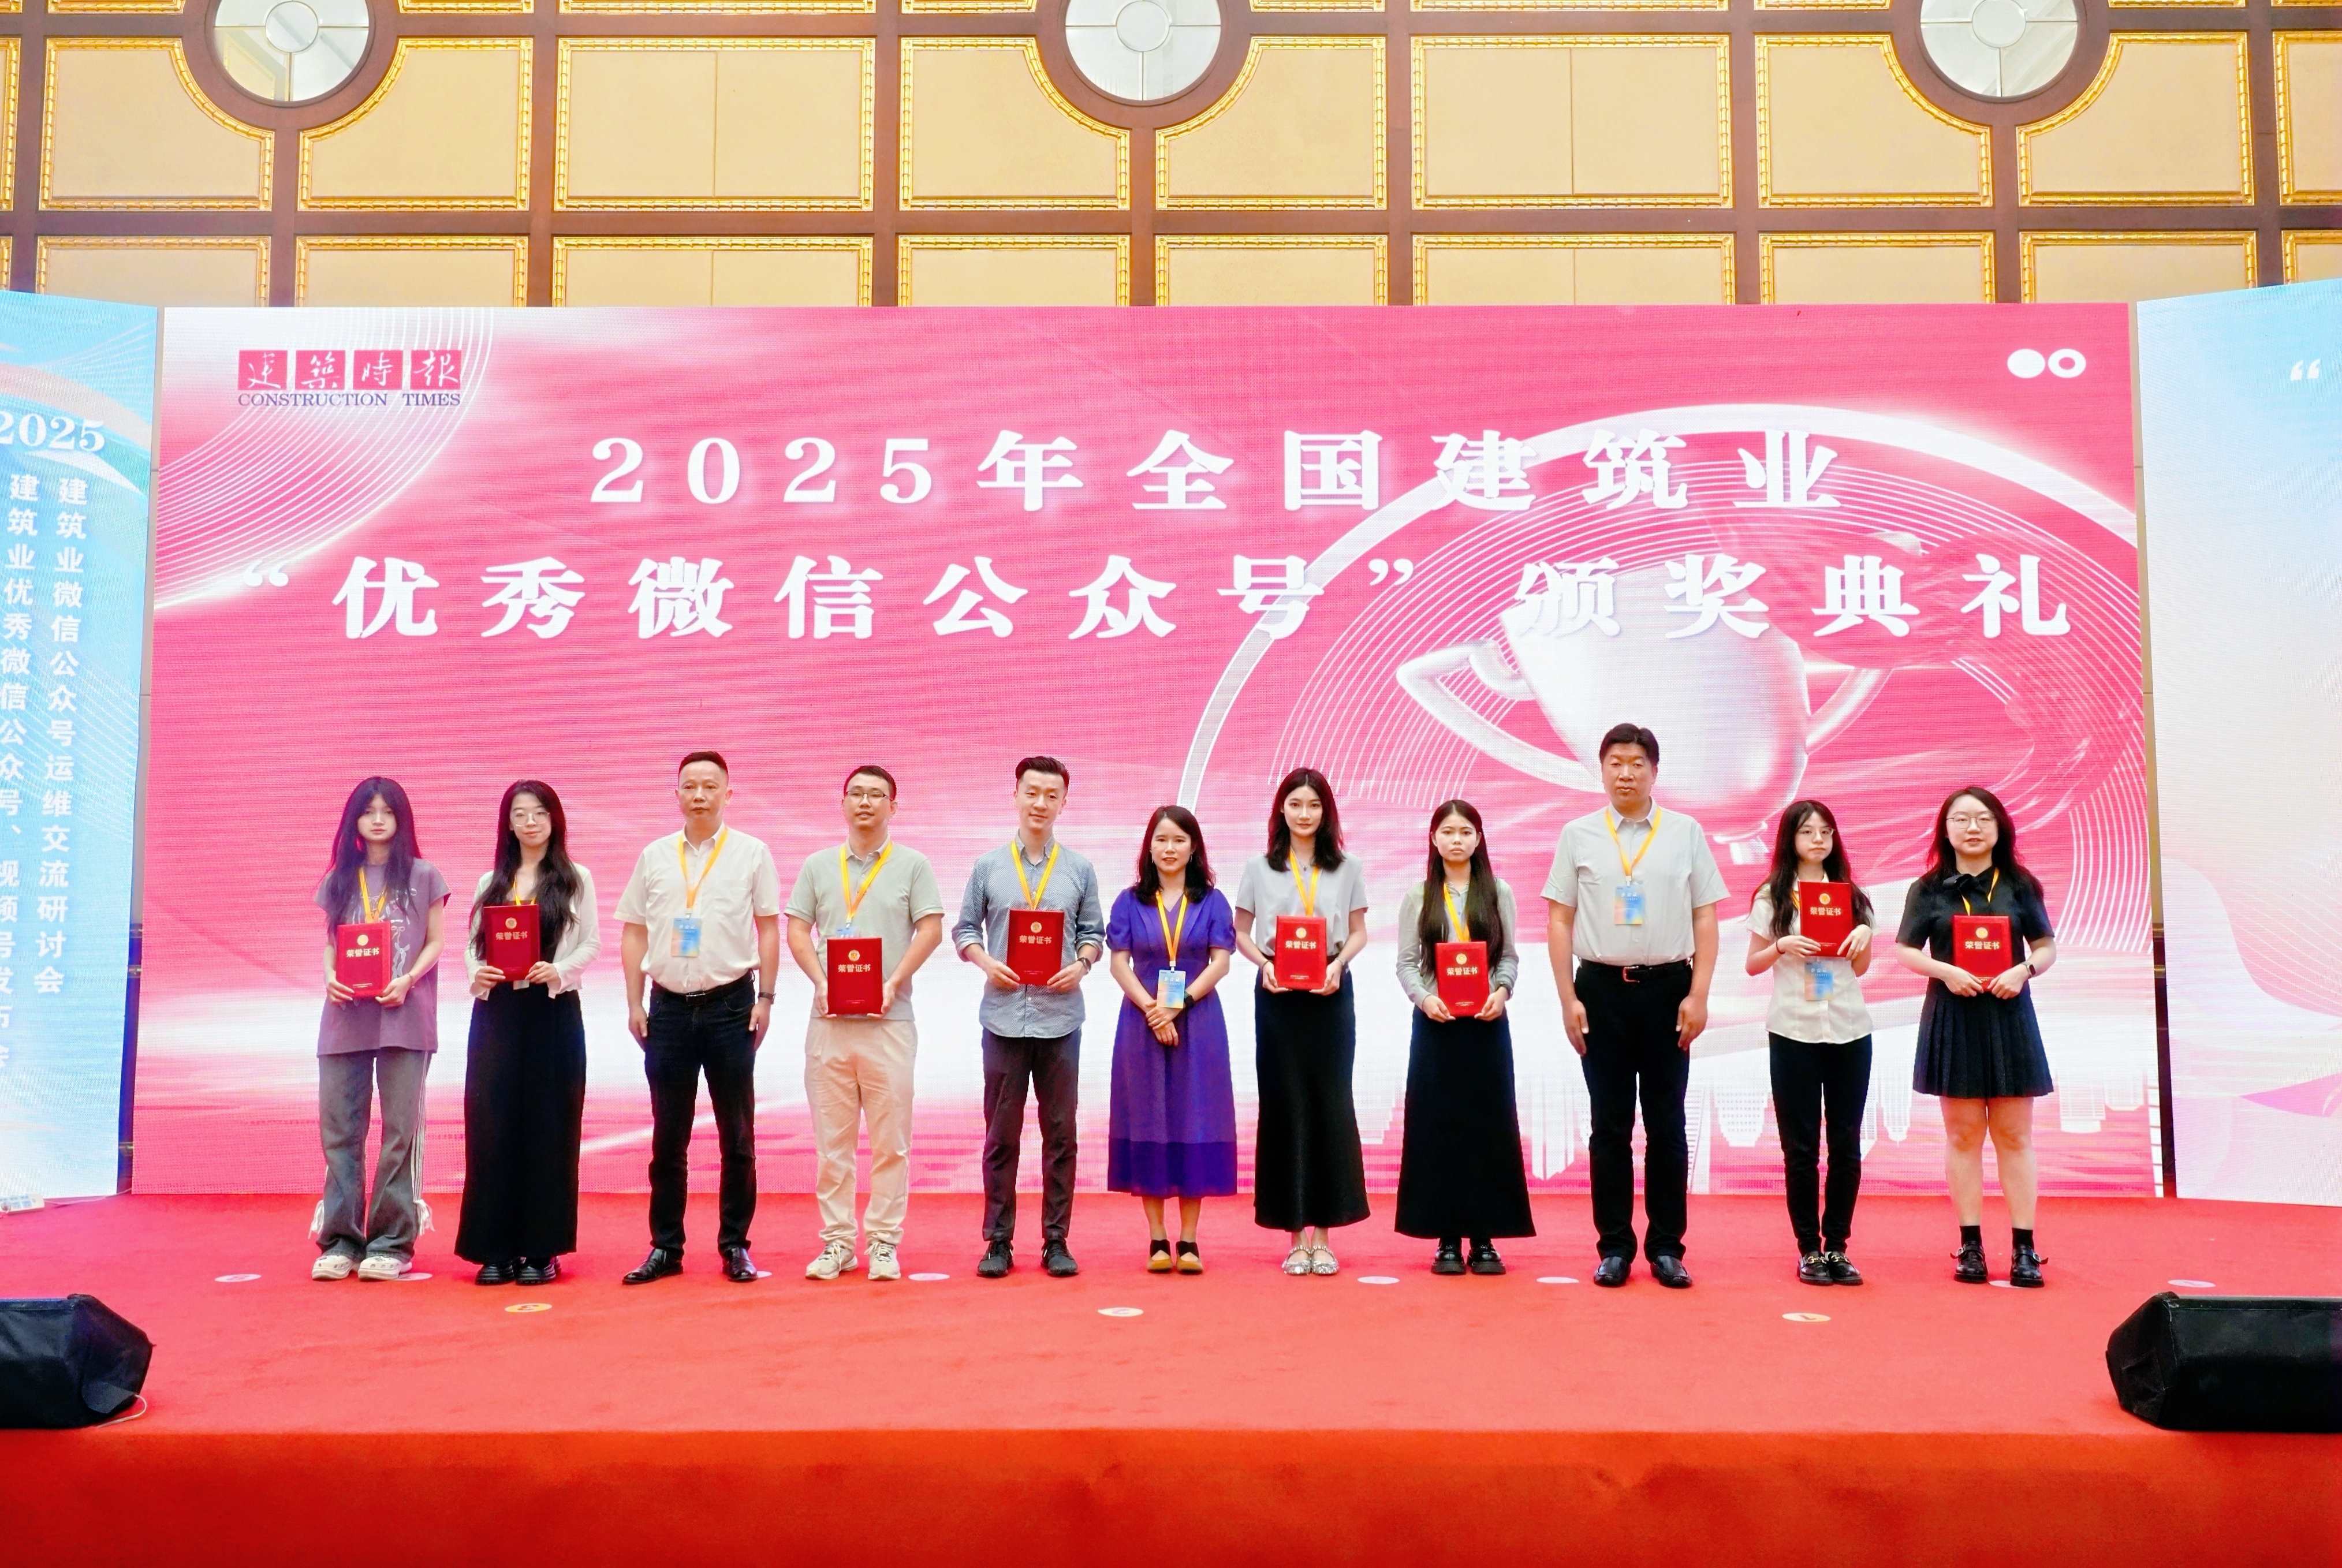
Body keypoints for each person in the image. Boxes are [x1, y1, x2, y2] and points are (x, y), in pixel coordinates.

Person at [1543, 723, 1724, 1290]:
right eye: (1616, 763)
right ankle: (1615, 1247)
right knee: (1609, 1125)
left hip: (1669, 988)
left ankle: (1667, 1248)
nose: (1626, 773)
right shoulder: (1578, 835)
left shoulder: (1685, 832)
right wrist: (1568, 998)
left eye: (1637, 763)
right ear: (1601, 770)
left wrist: (1699, 993)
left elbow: (1705, 916)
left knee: (1667, 1124)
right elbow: (1559, 919)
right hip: (1600, 990)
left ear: (1655, 771)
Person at [613, 751, 782, 1285]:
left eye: (711, 786)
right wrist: (634, 1002)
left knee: (738, 1136)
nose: (700, 795)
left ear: (728, 794)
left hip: (732, 1007)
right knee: (669, 1137)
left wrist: (767, 998)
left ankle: (735, 1245)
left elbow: (769, 928)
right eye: (690, 786)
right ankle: (666, 1247)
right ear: (678, 795)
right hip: (666, 1008)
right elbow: (634, 931)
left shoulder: (752, 853)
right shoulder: (655, 856)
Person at [784, 765, 945, 1283]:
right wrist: (820, 981)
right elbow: (797, 930)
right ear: (843, 803)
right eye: (856, 793)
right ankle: (837, 1242)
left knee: (890, 1142)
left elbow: (931, 928)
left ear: (893, 807)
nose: (865, 802)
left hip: (888, 1022)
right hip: (829, 1022)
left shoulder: (913, 865)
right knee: (832, 1144)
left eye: (877, 795)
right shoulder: (818, 865)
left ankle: (883, 1242)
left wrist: (894, 980)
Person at [1893, 785, 2059, 1288]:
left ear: (1999, 827)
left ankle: (2024, 1247)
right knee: (1963, 1136)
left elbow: (2046, 946)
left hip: (2010, 1015)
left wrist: (2024, 971)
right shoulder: (1928, 889)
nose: (1972, 828)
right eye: (1961, 819)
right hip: (1954, 1014)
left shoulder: (2020, 884)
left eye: (1983, 819)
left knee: (2014, 1136)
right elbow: (1906, 950)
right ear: (1945, 830)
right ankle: (1970, 1245)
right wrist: (1944, 971)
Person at [952, 756, 1107, 1279]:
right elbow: (965, 930)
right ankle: (998, 1241)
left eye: (1051, 795)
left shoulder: (1080, 869)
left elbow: (1094, 933)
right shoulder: (988, 866)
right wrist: (985, 961)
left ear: (1064, 803)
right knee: (1001, 1136)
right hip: (1003, 1018)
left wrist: (1081, 965)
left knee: (1061, 1135)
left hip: (1061, 1020)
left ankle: (1056, 1240)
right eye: (1032, 793)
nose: (1040, 803)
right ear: (1015, 796)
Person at [456, 781, 600, 1287]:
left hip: (552, 1012)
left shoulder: (576, 878)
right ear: (508, 824)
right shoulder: (491, 881)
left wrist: (557, 970)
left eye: (539, 813)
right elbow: (472, 947)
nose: (530, 822)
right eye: (520, 814)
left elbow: (591, 943)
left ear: (554, 819)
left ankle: (542, 1250)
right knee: (492, 1125)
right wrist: (478, 972)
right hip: (497, 1014)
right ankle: (494, 1250)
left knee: (550, 1126)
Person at [1234, 767, 1370, 1275]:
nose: (1305, 814)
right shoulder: (1258, 868)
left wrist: (1339, 966)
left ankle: (1325, 1238)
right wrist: (1264, 965)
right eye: (1296, 804)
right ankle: (1294, 1237)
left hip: (1330, 993)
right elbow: (1241, 932)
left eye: (1314, 805)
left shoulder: (1348, 867)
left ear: (1326, 811)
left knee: (1330, 1105)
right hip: (1277, 996)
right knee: (1285, 1105)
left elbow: (1358, 932)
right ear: (1281, 810)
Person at [311, 777, 448, 1282]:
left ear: (400, 818)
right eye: (367, 811)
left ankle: (391, 1242)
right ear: (354, 820)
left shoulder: (424, 875)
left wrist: (408, 979)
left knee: (399, 1133)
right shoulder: (340, 879)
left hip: (405, 1015)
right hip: (345, 1015)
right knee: (340, 1131)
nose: (377, 819)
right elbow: (332, 944)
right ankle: (341, 1241)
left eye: (386, 811)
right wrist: (330, 976)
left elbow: (436, 941)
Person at [1394, 800, 1532, 1276]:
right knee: (1439, 1128)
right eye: (1448, 832)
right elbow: (1406, 964)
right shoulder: (1418, 896)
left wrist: (1502, 990)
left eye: (1466, 832)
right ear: (1434, 839)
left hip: (1487, 1026)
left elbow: (1509, 956)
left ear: (1479, 839)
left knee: (1487, 1128)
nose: (1457, 840)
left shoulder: (1498, 893)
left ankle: (1485, 1239)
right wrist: (1424, 999)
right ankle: (1447, 1239)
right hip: (1436, 1027)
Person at [1745, 800, 1875, 1287]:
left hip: (1848, 1029)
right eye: (1807, 832)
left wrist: (1862, 937)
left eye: (1825, 832)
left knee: (1846, 1144)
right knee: (1800, 1148)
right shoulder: (1773, 896)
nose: (1818, 840)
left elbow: (1859, 969)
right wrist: (1781, 945)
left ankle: (1837, 1246)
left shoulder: (1851, 897)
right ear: (1790, 840)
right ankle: (1809, 1249)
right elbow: (1752, 964)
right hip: (1793, 1029)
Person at [1105, 806, 1237, 1273]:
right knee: (1150, 1119)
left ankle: (1190, 1241)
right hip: (1141, 1022)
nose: (1169, 848)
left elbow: (1221, 961)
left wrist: (1178, 1006)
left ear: (1193, 847)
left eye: (1179, 840)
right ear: (1149, 847)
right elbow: (1118, 963)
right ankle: (1157, 1239)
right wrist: (1152, 1008)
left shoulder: (1213, 901)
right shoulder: (1129, 901)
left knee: (1194, 1118)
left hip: (1198, 1022)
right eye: (1161, 839)